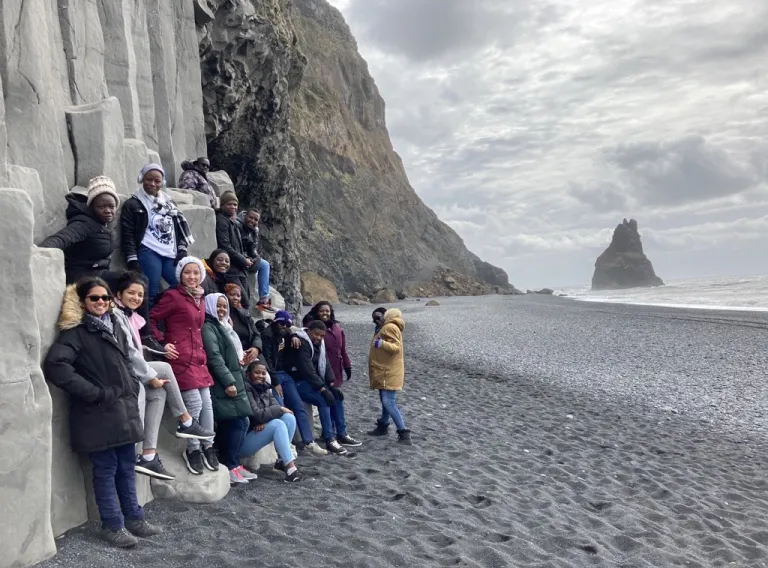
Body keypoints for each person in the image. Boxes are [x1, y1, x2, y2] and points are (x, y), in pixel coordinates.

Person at [44, 278, 161, 548]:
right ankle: (112, 525)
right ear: (83, 302)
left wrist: (131, 386)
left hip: (122, 410)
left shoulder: (114, 326)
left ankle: (134, 517)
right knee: (106, 469)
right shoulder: (76, 332)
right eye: (94, 298)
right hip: (97, 413)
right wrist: (94, 393)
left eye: (105, 298)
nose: (101, 302)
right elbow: (56, 365)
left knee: (127, 465)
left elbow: (129, 361)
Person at [113, 272, 215, 480]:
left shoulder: (129, 316)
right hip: (125, 370)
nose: (136, 298)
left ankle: (149, 454)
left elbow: (136, 345)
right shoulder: (116, 315)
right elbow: (130, 352)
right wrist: (152, 372)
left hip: (190, 359)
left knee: (161, 392)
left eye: (140, 294)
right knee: (167, 373)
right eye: (131, 293)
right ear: (118, 294)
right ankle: (186, 423)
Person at [150, 257, 220, 475]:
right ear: (180, 274)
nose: (192, 277)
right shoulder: (173, 296)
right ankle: (193, 449)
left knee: (207, 404)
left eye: (196, 273)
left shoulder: (200, 298)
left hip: (198, 358)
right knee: (195, 404)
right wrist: (162, 343)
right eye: (187, 273)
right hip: (180, 357)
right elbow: (151, 319)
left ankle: (208, 445)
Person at [120, 163, 194, 305]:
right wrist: (132, 259)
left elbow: (178, 228)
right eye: (149, 179)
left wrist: (182, 248)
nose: (152, 184)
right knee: (150, 291)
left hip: (170, 252)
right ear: (141, 178)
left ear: (163, 182)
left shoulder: (169, 203)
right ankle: (147, 325)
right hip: (148, 250)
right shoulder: (133, 204)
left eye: (157, 181)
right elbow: (128, 233)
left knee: (182, 286)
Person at [202, 294, 256, 485]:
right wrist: (228, 382)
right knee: (238, 423)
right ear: (208, 306)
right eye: (218, 306)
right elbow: (214, 357)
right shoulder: (209, 327)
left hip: (234, 379)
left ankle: (233, 463)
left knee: (239, 422)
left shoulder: (223, 326)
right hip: (223, 383)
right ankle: (230, 464)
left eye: (224, 306)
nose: (222, 309)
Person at [286, 320, 362, 454]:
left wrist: (332, 384)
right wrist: (322, 389)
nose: (319, 338)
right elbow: (306, 370)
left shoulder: (320, 344)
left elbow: (325, 363)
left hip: (313, 381)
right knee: (323, 400)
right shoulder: (301, 343)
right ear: (309, 330)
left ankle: (342, 433)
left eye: (321, 336)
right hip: (298, 381)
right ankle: (329, 438)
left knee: (337, 397)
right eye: (316, 334)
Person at [261, 311, 327, 455]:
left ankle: (308, 441)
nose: (284, 327)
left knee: (298, 407)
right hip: (274, 375)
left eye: (287, 324)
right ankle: (286, 444)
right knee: (281, 409)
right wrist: (275, 381)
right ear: (275, 322)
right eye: (281, 323)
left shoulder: (288, 334)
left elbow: (293, 333)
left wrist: (294, 336)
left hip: (286, 374)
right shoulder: (267, 335)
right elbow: (267, 359)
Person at [40, 176, 120, 284]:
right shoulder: (84, 223)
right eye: (101, 207)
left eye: (112, 206)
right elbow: (62, 238)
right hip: (80, 276)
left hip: (98, 273)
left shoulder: (105, 225)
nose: (108, 211)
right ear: (91, 207)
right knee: (126, 282)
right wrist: (39, 252)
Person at [240, 361, 302, 482]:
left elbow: (272, 411)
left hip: (259, 430)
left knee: (289, 418)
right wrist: (276, 411)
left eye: (263, 373)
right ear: (248, 374)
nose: (260, 376)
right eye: (257, 372)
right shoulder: (245, 389)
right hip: (244, 439)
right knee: (277, 424)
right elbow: (256, 414)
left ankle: (282, 461)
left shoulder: (265, 388)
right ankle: (291, 469)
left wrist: (266, 418)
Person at [368, 308, 411, 445]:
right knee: (384, 399)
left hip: (389, 371)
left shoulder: (390, 327)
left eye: (379, 317)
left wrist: (381, 344)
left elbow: (396, 347)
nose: (376, 320)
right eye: (374, 318)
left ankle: (403, 433)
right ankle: (383, 426)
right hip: (383, 370)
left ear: (386, 316)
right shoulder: (383, 328)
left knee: (388, 401)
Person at [215, 191, 259, 310]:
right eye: (230, 204)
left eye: (235, 205)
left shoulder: (231, 221)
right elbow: (225, 245)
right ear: (223, 204)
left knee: (246, 301)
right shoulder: (222, 220)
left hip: (239, 269)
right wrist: (242, 259)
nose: (233, 207)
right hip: (231, 270)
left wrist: (247, 259)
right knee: (243, 302)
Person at [304, 301, 351, 388]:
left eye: (327, 311)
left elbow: (343, 351)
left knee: (335, 398)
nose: (325, 313)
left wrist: (347, 366)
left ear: (331, 312)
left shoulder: (337, 329)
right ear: (317, 312)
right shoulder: (311, 329)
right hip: (317, 372)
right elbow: (301, 335)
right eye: (321, 311)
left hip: (336, 371)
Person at [237, 208, 272, 310]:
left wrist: (255, 258)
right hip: (237, 256)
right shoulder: (237, 225)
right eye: (250, 217)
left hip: (248, 257)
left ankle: (263, 299)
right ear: (245, 216)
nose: (252, 221)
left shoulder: (255, 230)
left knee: (265, 265)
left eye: (255, 220)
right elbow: (235, 245)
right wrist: (244, 258)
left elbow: (253, 248)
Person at [224, 283, 262, 364]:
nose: (235, 298)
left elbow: (256, 334)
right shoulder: (222, 315)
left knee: (265, 375)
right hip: (232, 357)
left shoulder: (245, 314)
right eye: (232, 295)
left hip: (249, 354)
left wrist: (256, 348)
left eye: (238, 296)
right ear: (225, 295)